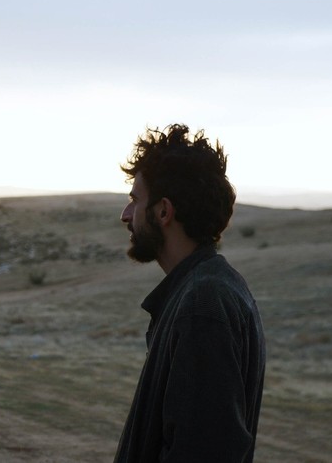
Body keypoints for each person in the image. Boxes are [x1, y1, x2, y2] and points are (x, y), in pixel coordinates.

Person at [114, 124, 266, 463]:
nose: (125, 215)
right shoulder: (207, 289)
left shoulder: (203, 305)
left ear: (163, 212)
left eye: (135, 201)